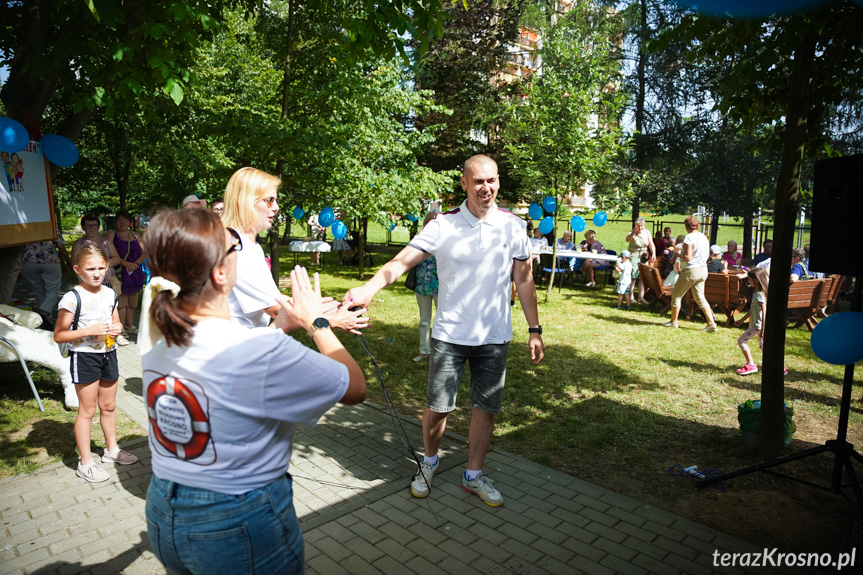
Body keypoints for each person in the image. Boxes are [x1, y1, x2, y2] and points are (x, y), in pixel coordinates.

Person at [140, 209, 366, 575]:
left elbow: (231, 371)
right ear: (220, 273)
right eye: (236, 250)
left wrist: (280, 325)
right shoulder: (256, 352)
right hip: (237, 520)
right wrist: (317, 323)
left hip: (164, 508)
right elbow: (354, 388)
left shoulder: (157, 334)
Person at [342, 154, 545, 507]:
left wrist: (534, 328)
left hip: (494, 337)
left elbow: (524, 279)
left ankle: (473, 476)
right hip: (450, 335)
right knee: (438, 407)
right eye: (478, 181)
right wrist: (369, 289)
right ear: (464, 184)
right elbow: (402, 260)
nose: (487, 187)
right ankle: (430, 461)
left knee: (486, 409)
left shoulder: (514, 226)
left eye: (492, 180)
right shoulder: (443, 224)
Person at [221, 167, 367, 332]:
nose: (276, 207)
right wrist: (329, 320)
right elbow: (275, 308)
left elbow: (274, 298)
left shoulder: (247, 244)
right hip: (233, 348)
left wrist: (323, 307)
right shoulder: (236, 248)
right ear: (246, 201)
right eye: (269, 200)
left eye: (276, 200)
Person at [54, 244, 138, 483]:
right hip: (85, 357)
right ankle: (85, 461)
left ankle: (112, 450)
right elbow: (59, 335)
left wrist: (118, 327)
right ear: (78, 269)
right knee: (87, 411)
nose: (97, 273)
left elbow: (117, 322)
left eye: (102, 267)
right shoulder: (72, 298)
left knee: (109, 406)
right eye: (90, 268)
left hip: (108, 353)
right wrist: (88, 331)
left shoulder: (110, 294)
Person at [662, 216, 719, 332]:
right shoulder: (704, 237)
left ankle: (673, 322)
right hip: (703, 270)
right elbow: (707, 256)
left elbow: (687, 258)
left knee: (676, 295)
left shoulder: (689, 238)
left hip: (691, 270)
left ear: (687, 226)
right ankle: (711, 324)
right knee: (700, 298)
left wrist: (676, 253)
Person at [21, 228, 72, 329]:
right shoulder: (48, 224)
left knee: (38, 290)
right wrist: (69, 260)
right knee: (53, 289)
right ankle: (45, 313)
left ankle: (47, 319)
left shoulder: (23, 226)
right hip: (50, 260)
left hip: (29, 261)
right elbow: (60, 245)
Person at [106, 210, 145, 339]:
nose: (122, 223)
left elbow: (145, 252)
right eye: (119, 220)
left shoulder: (136, 235)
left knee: (132, 300)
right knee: (121, 301)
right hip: (120, 272)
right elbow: (108, 252)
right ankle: (120, 326)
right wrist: (125, 263)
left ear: (130, 222)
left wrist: (136, 264)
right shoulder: (111, 234)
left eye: (126, 220)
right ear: (116, 221)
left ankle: (130, 324)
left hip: (135, 271)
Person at [412, 211, 440, 362]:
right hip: (422, 286)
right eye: (430, 222)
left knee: (441, 320)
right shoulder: (419, 238)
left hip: (441, 286)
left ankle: (440, 352)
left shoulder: (445, 239)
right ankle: (424, 351)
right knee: (424, 320)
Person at [735, 267, 770, 376]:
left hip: (758, 326)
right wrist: (742, 320)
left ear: (756, 280)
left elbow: (764, 311)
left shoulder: (759, 294)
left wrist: (763, 329)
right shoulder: (757, 292)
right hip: (758, 325)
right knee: (762, 347)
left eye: (749, 279)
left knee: (741, 341)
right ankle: (778, 367)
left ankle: (750, 365)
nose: (748, 281)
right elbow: (752, 310)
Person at [626, 217, 656, 304]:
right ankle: (631, 297)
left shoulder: (647, 232)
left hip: (644, 256)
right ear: (635, 226)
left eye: (642, 226)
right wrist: (633, 233)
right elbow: (627, 239)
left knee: (642, 277)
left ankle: (641, 297)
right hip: (634, 255)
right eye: (639, 226)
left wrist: (653, 253)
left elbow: (651, 244)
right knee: (633, 276)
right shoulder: (632, 232)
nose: (640, 228)